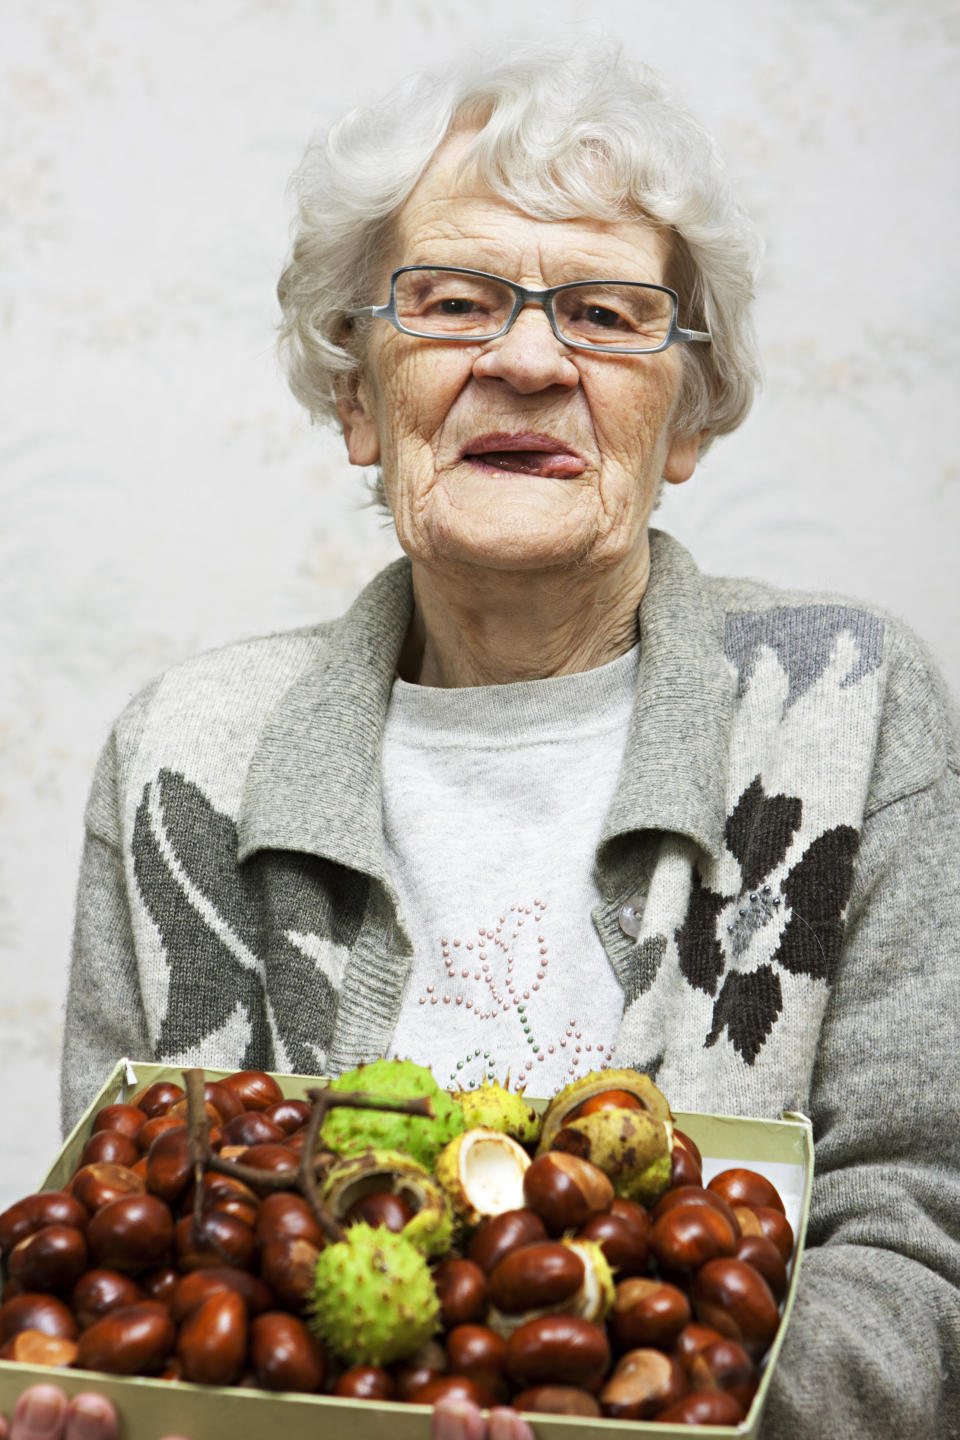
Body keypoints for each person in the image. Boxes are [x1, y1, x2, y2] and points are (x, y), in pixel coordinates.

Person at [7, 42, 958, 1440]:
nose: (526, 359)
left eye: (607, 313)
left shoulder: (845, 708)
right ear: (354, 397)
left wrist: (646, 1426)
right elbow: (123, 1221)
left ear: (683, 420)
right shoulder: (181, 760)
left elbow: (922, 1241)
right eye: (453, 303)